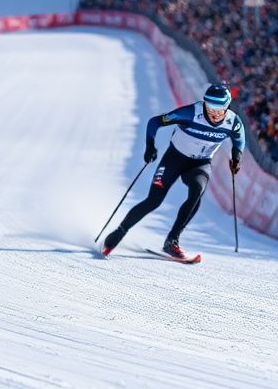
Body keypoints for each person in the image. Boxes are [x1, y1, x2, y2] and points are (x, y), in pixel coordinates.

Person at [102, 83, 246, 258]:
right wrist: (150, 146)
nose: (214, 112)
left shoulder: (233, 122)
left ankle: (172, 241)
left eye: (219, 108)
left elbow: (239, 140)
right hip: (174, 159)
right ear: (204, 103)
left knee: (196, 193)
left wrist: (236, 157)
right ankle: (119, 232)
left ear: (227, 106)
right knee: (154, 201)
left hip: (200, 164)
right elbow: (155, 122)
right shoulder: (191, 113)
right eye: (210, 106)